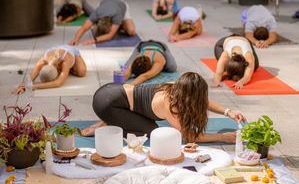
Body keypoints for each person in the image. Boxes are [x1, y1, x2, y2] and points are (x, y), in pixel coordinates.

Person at [81, 72, 246, 141]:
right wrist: (222, 137)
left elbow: (201, 102)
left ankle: (109, 120)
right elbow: (188, 137)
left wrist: (228, 112)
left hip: (111, 90)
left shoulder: (176, 86)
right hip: (107, 104)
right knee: (154, 132)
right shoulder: (170, 104)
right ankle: (104, 126)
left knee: (148, 124)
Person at [13, 45, 86, 93]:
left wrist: (33, 86)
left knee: (81, 72)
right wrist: (23, 86)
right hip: (55, 53)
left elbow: (58, 83)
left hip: (71, 50)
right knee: (61, 73)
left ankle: (67, 69)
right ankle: (64, 71)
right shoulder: (44, 59)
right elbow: (32, 74)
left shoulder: (66, 59)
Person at [69, 0, 135, 45]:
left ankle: (119, 24)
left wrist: (93, 40)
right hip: (104, 4)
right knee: (104, 30)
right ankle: (117, 25)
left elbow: (110, 36)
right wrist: (76, 39)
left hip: (121, 5)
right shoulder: (96, 13)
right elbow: (84, 28)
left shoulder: (117, 15)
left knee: (131, 31)